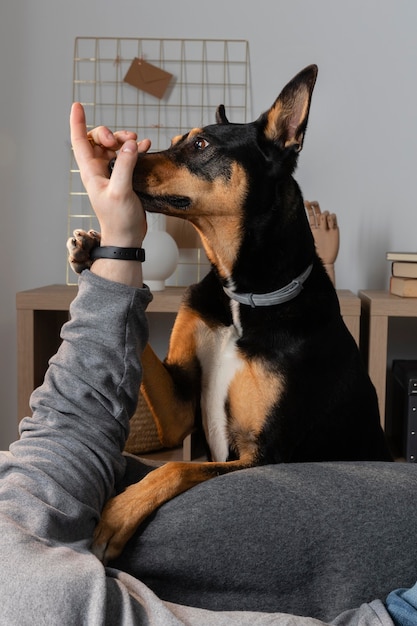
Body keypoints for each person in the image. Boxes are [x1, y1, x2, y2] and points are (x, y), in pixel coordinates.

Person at [0, 102, 416, 625]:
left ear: (277, 152)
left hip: (347, 548)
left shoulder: (309, 336)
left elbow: (257, 470)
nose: (168, 158)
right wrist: (113, 276)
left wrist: (164, 480)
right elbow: (174, 419)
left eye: (198, 149)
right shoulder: (204, 305)